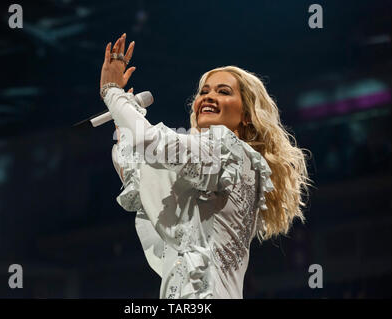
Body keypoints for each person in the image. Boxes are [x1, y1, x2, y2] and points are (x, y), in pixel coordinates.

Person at [100, 33, 312, 299]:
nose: (208, 97)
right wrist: (123, 117)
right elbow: (136, 175)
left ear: (246, 114)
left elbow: (150, 141)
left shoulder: (231, 151)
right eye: (204, 91)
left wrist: (112, 92)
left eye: (223, 92)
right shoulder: (208, 167)